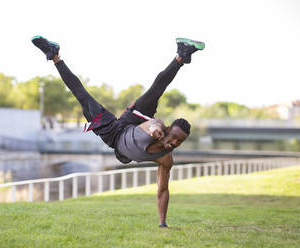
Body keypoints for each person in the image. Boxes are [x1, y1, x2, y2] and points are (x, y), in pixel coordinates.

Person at [32, 36, 204, 228]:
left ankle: (55, 54)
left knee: (85, 98)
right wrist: (154, 128)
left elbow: (162, 190)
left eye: (178, 143)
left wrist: (162, 223)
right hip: (131, 121)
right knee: (154, 90)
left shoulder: (166, 159)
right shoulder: (157, 127)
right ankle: (181, 56)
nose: (173, 143)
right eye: (173, 138)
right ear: (168, 128)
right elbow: (154, 124)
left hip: (113, 135)